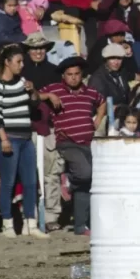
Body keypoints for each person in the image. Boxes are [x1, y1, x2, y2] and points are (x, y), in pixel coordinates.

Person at [0, 44, 51, 238]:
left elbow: (35, 104)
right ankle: (7, 224)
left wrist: (32, 91)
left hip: (25, 138)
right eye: (18, 61)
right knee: (8, 182)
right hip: (10, 139)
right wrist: (3, 138)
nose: (22, 65)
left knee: (31, 182)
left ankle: (30, 223)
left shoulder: (22, 82)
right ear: (7, 62)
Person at [40, 57, 106, 236]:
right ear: (63, 75)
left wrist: (98, 119)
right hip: (67, 143)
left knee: (89, 182)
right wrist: (48, 96)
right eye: (69, 74)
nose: (74, 78)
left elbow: (102, 102)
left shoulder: (90, 92)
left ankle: (80, 225)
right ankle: (70, 184)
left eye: (77, 74)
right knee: (85, 174)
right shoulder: (55, 89)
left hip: (88, 143)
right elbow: (34, 96)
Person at [20, 32, 64, 231]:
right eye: (33, 48)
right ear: (27, 50)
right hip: (24, 127)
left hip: (48, 128)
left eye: (41, 48)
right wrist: (46, 94)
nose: (38, 51)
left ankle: (51, 215)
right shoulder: (19, 71)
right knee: (27, 174)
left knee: (51, 173)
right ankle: (28, 215)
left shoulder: (55, 71)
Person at [88, 43, 132, 111]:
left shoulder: (121, 72)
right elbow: (97, 105)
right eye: (112, 58)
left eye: (119, 58)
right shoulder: (97, 79)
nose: (116, 62)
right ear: (106, 60)